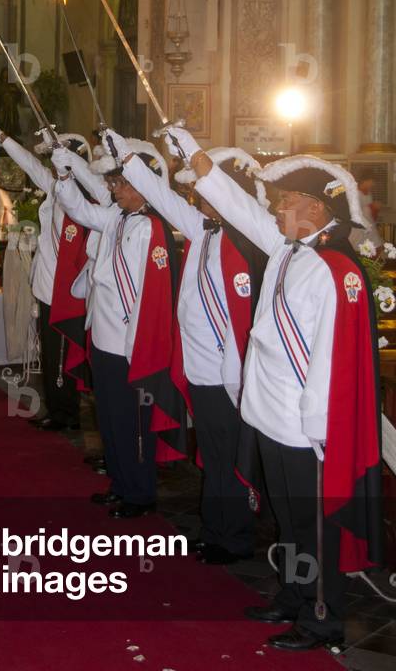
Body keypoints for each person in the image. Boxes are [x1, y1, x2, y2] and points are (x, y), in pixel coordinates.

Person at [161, 126, 383, 651]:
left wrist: (318, 430)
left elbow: (333, 360)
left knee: (313, 523)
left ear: (312, 207)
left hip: (307, 426)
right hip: (270, 415)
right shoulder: (288, 249)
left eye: (285, 202)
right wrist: (193, 154)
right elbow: (237, 208)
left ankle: (322, 615)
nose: (276, 210)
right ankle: (292, 594)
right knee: (288, 520)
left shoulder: (336, 268)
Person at [105, 131, 268, 562]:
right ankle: (215, 528)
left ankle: (234, 537)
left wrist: (193, 151)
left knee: (231, 458)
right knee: (213, 456)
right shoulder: (204, 230)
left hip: (228, 374)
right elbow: (165, 199)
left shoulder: (247, 240)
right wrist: (128, 158)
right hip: (199, 368)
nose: (196, 199)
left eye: (206, 192)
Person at [51, 140, 183, 518]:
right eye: (113, 184)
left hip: (129, 344)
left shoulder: (150, 228)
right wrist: (64, 173)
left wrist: (134, 347)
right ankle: (120, 482)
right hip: (104, 339)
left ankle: (139, 493)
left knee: (133, 424)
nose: (115, 190)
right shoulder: (117, 218)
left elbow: (148, 297)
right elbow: (78, 208)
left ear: (145, 186)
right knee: (109, 418)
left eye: (121, 184)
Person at [0, 121, 109, 431]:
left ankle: (67, 413)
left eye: (58, 160)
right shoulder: (55, 188)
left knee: (62, 356)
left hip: (68, 293)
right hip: (46, 285)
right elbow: (29, 162)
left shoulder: (88, 199)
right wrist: (2, 136)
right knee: (50, 355)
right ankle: (56, 408)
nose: (51, 168)